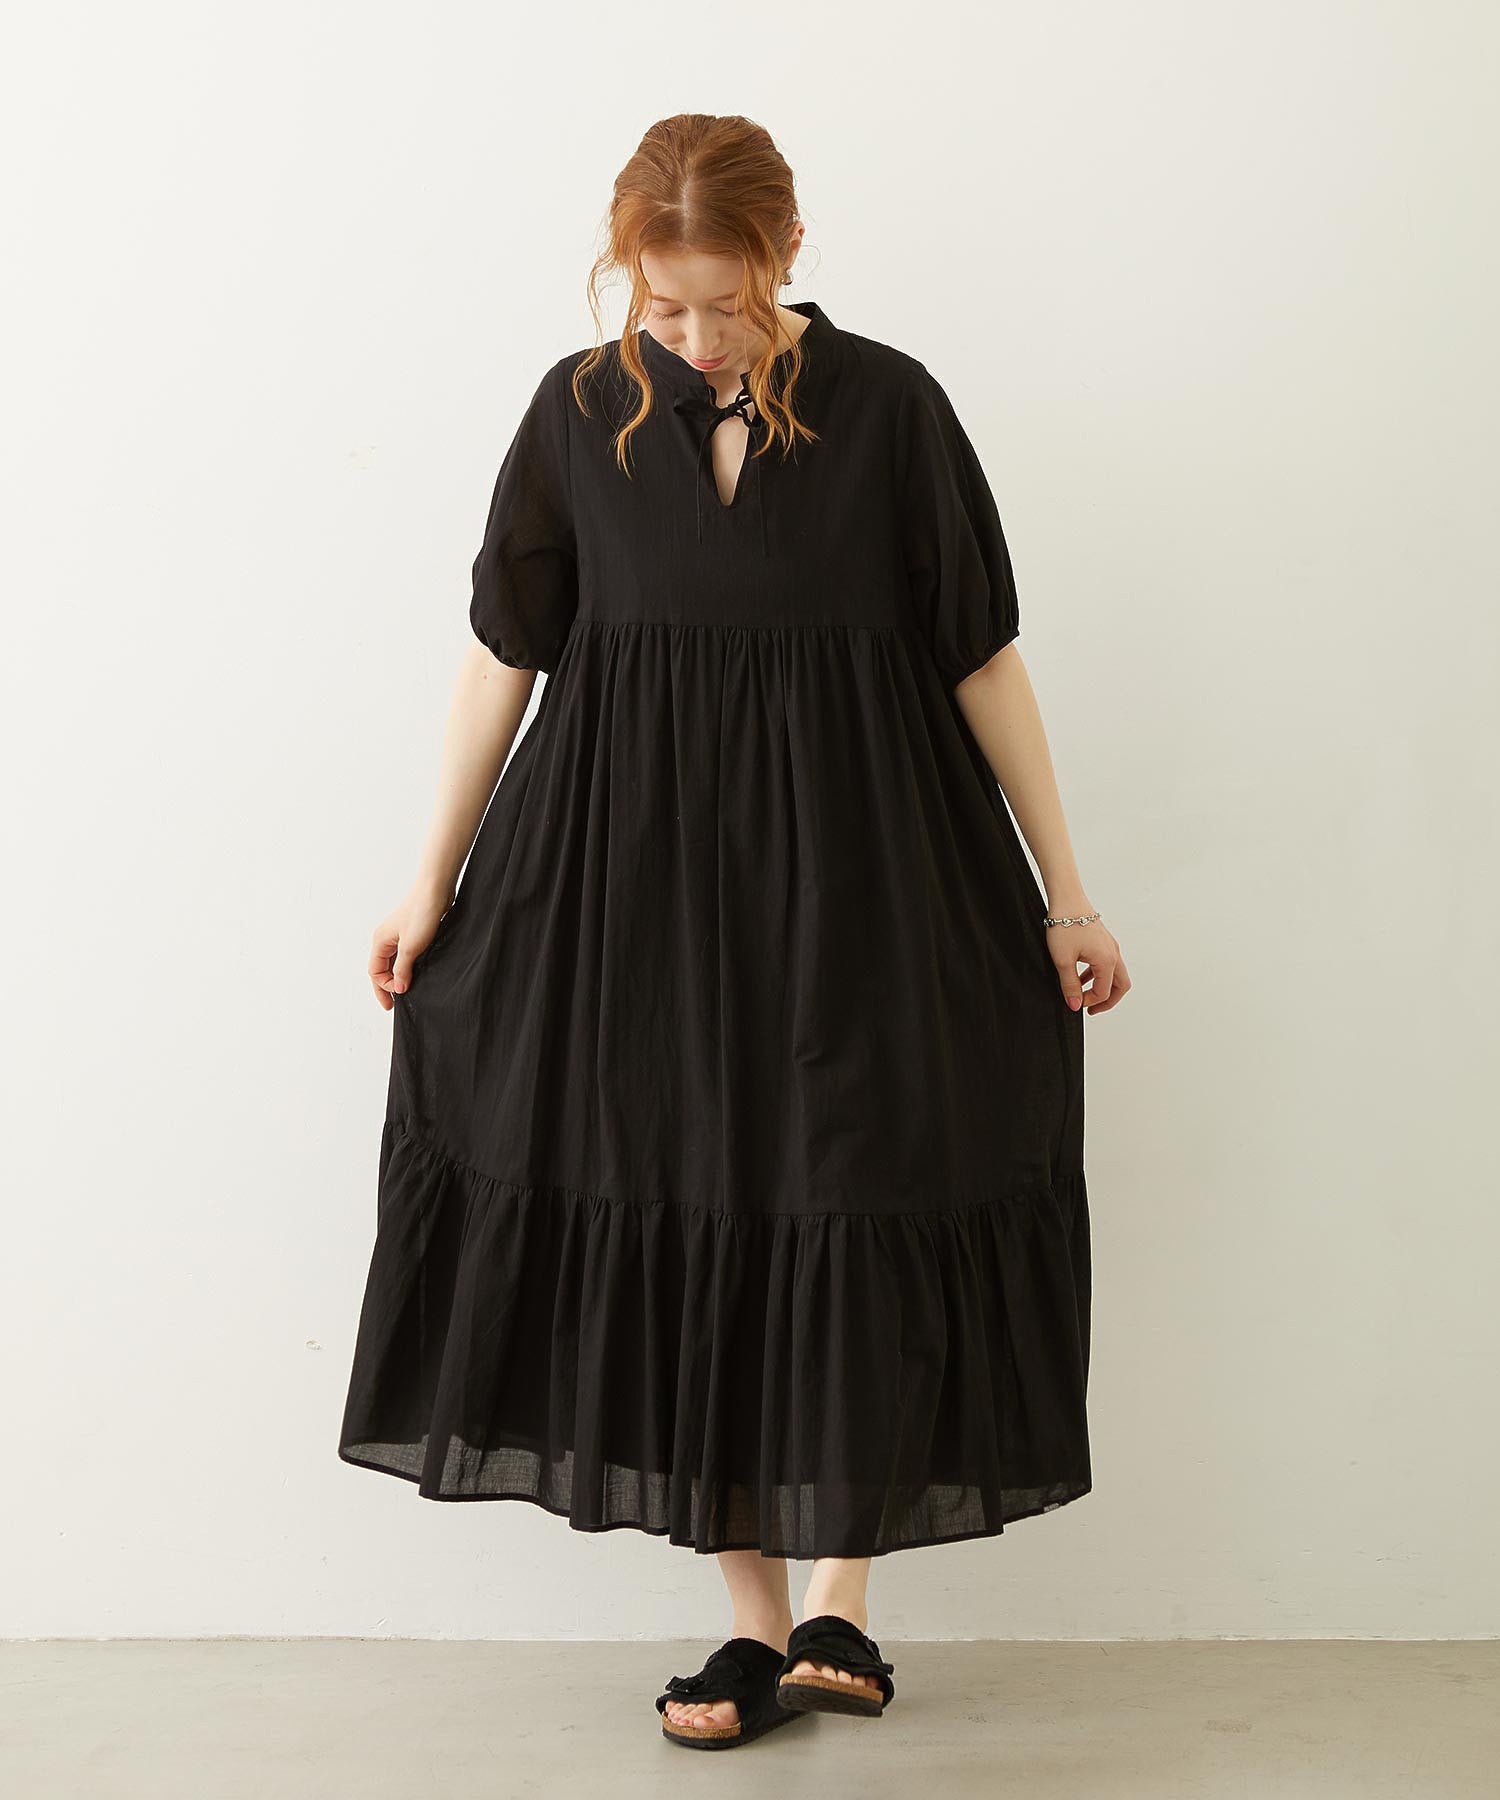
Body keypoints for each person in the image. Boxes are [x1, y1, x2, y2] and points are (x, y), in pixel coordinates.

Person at [339, 112, 1129, 1752]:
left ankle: (845, 1602)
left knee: (855, 1185)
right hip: (633, 880)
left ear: (787, 255)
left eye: (727, 302)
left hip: (866, 869)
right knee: (683, 1186)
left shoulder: (892, 407)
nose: (697, 338)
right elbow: (505, 656)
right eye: (665, 305)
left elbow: (981, 655)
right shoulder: (579, 410)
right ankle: (753, 1623)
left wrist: (1066, 888)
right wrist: (430, 877)